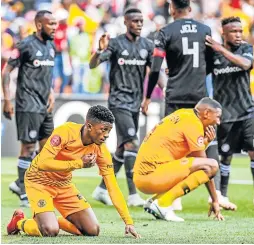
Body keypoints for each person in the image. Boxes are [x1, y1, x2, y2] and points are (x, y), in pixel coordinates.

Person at [6, 105, 141, 238]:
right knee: (49, 231)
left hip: (64, 184)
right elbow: (42, 163)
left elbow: (112, 186)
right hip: (39, 181)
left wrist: (128, 221)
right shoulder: (65, 132)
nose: (106, 135)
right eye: (104, 130)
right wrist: (79, 163)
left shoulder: (101, 150)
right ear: (89, 126)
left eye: (109, 131)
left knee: (93, 230)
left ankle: (51, 220)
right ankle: (19, 222)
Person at [141, 0, 223, 210]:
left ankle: (171, 196)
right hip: (199, 98)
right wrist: (194, 76)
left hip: (175, 95)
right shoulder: (205, 30)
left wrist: (148, 96)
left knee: (172, 146)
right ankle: (216, 195)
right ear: (190, 8)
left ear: (171, 8)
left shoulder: (166, 31)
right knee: (206, 142)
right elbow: (211, 65)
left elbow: (156, 67)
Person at [89, 8, 154, 207]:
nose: (139, 24)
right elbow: (93, 65)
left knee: (121, 148)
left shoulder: (147, 45)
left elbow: (155, 71)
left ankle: (101, 189)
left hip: (135, 102)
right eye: (135, 21)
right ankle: (133, 194)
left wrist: (156, 93)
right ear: (125, 23)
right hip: (118, 102)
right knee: (132, 143)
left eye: (141, 21)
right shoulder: (116, 44)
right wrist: (99, 50)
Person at [134, 97, 224, 222]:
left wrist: (206, 142)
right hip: (152, 176)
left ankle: (156, 200)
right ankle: (163, 203)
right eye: (218, 116)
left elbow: (186, 155)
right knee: (212, 165)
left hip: (143, 177)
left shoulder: (183, 114)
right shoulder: (194, 123)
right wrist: (215, 200)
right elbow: (206, 166)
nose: (218, 122)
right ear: (207, 113)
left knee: (197, 165)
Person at [206, 16, 254, 208]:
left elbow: (246, 65)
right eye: (234, 31)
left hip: (246, 112)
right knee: (225, 156)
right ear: (224, 33)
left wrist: (220, 49)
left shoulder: (246, 49)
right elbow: (199, 72)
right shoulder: (212, 56)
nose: (239, 35)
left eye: (240, 31)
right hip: (225, 115)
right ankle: (223, 195)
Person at [2, 10, 57, 207]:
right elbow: (6, 72)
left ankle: (20, 182)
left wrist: (50, 91)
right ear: (39, 25)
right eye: (50, 23)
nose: (54, 27)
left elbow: (47, 73)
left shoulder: (52, 46)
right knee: (28, 147)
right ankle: (25, 192)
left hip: (45, 104)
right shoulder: (24, 45)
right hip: (27, 104)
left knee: (47, 148)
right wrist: (7, 100)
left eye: (55, 23)